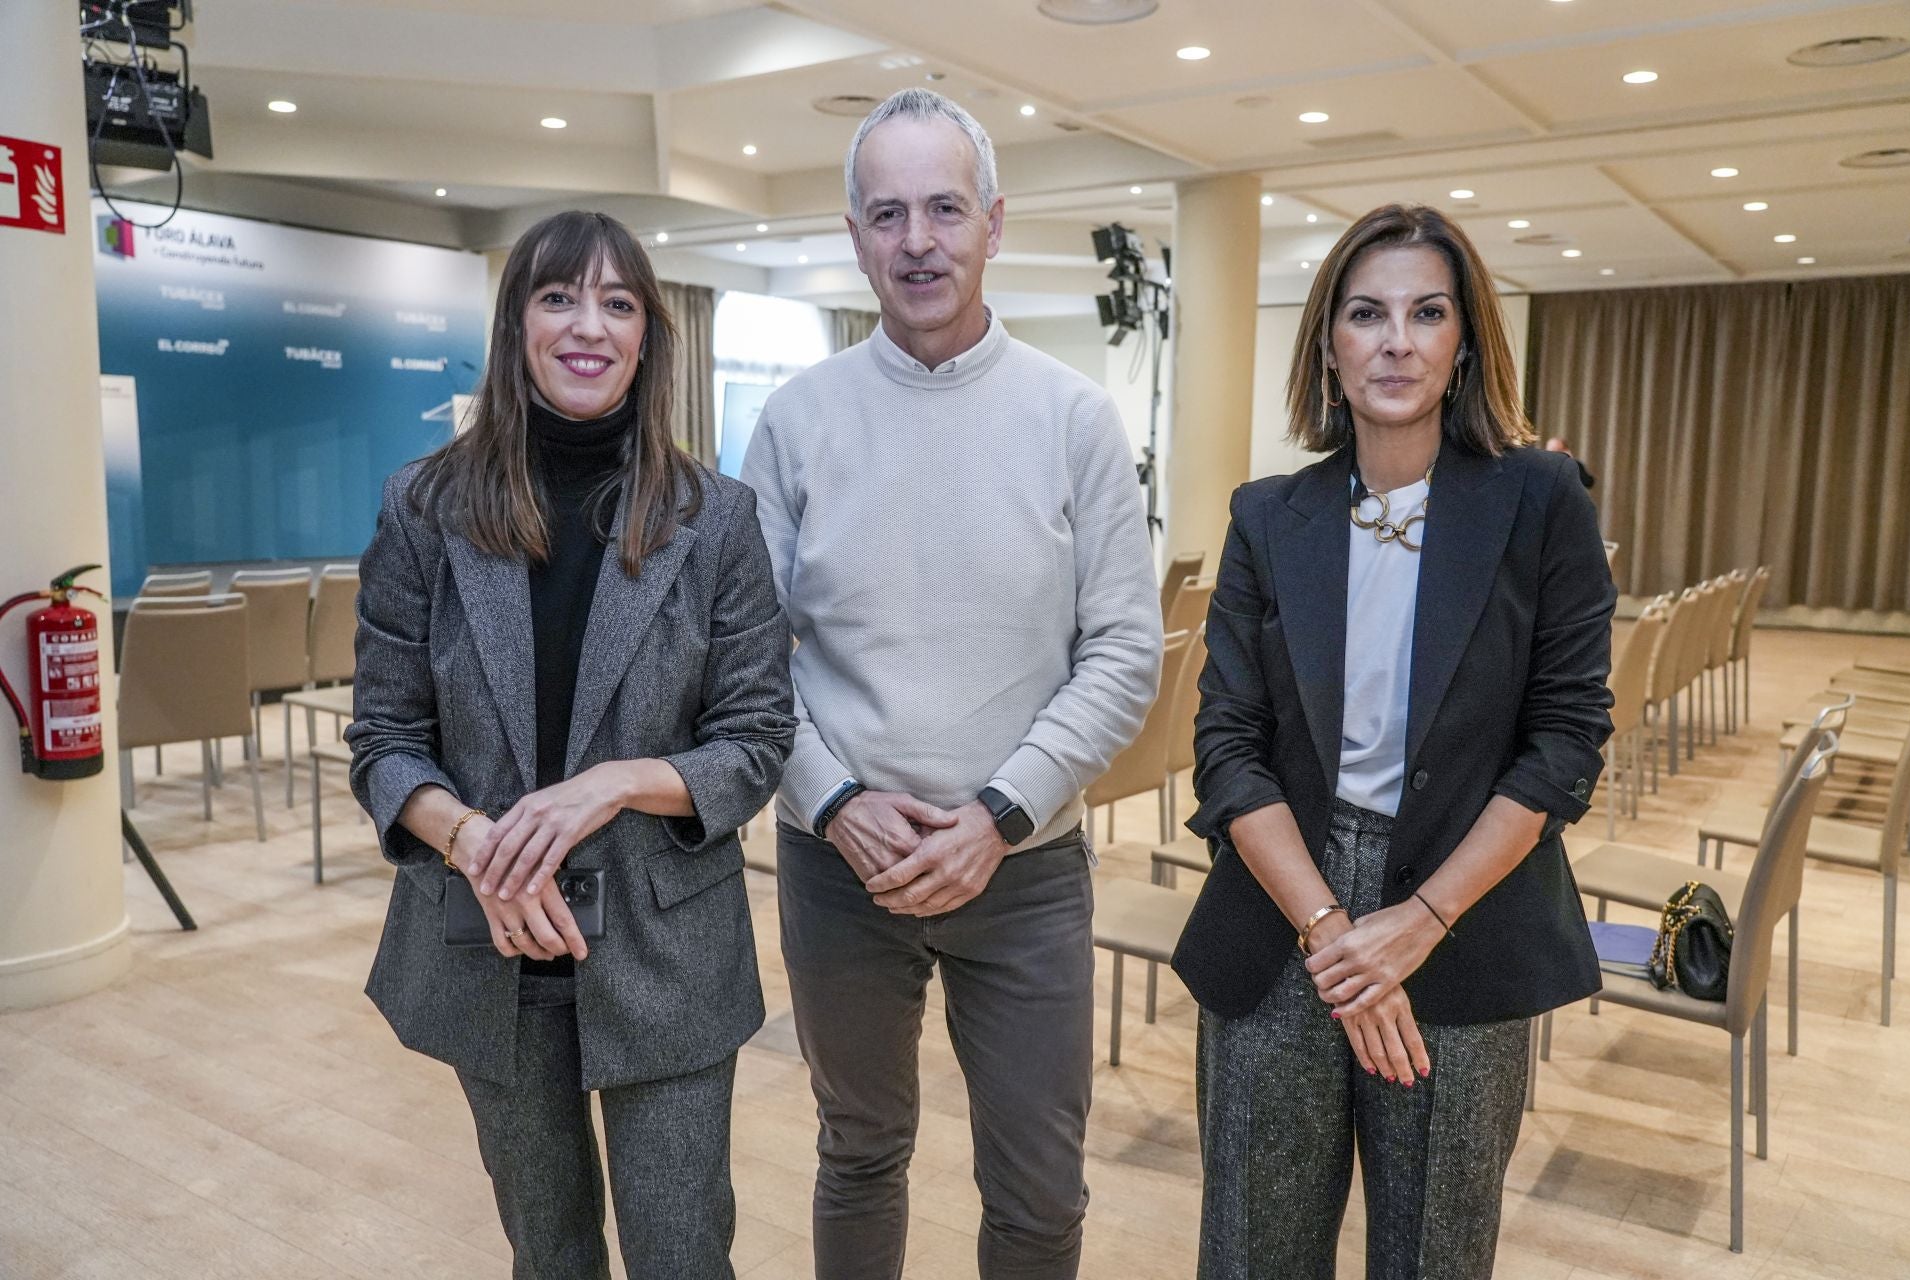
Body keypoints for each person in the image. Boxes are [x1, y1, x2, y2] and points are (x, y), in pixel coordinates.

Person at [740, 88, 1162, 1280]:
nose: (917, 238)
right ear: (856, 234)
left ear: (994, 224)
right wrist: (833, 801)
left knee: (1036, 1189)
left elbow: (1123, 651)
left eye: (944, 208)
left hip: (1022, 872)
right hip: (840, 865)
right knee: (859, 1151)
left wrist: (998, 814)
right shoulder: (798, 420)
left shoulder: (1076, 419)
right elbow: (747, 662)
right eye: (888, 213)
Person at [346, 209, 795, 1279]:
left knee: (682, 1250)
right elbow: (383, 737)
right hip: (488, 934)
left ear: (648, 336)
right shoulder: (426, 505)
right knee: (548, 1250)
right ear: (516, 327)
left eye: (618, 302)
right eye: (558, 297)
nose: (587, 325)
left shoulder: (716, 515)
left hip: (664, 942)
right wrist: (470, 840)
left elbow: (757, 737)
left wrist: (614, 783)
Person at [1169, 203, 1615, 1278]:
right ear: (1329, 341)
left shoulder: (1540, 498)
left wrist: (1415, 922)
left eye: (1426, 312)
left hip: (1464, 914)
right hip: (1286, 905)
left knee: (1433, 1253)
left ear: (1465, 341)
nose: (1397, 340)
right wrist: (1336, 932)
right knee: (1253, 1250)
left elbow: (1564, 742)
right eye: (1367, 314)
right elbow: (1229, 745)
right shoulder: (1270, 515)